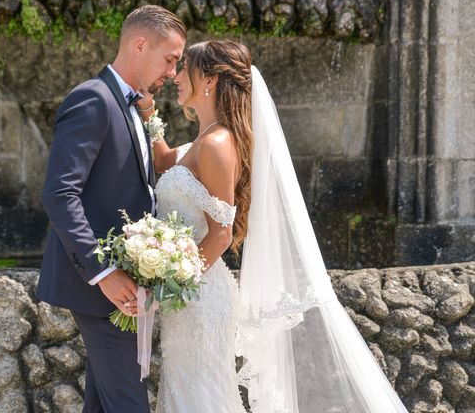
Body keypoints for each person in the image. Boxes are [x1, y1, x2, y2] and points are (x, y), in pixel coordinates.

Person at [138, 40, 408, 412]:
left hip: (198, 297)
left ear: (210, 80)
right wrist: (148, 110)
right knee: (188, 390)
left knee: (201, 395)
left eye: (185, 68)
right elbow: (166, 160)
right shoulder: (204, 140)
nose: (177, 76)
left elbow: (222, 233)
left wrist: (171, 284)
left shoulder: (217, 143)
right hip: (190, 295)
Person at [36, 5, 186, 413]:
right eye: (170, 59)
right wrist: (103, 272)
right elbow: (59, 193)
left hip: (125, 288)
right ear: (140, 45)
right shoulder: (93, 99)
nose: (173, 73)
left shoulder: (135, 107)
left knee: (104, 405)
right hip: (103, 289)